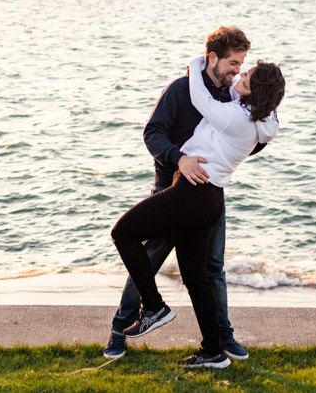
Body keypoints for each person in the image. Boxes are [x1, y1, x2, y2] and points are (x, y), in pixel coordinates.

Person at [111, 53, 285, 368]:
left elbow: (201, 99)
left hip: (190, 195)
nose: (241, 74)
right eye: (240, 68)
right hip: (209, 200)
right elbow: (255, 111)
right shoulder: (257, 119)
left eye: (247, 75)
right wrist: (238, 82)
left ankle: (154, 307)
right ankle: (214, 352)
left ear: (255, 90)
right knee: (196, 278)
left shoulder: (234, 118)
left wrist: (195, 64)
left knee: (122, 233)